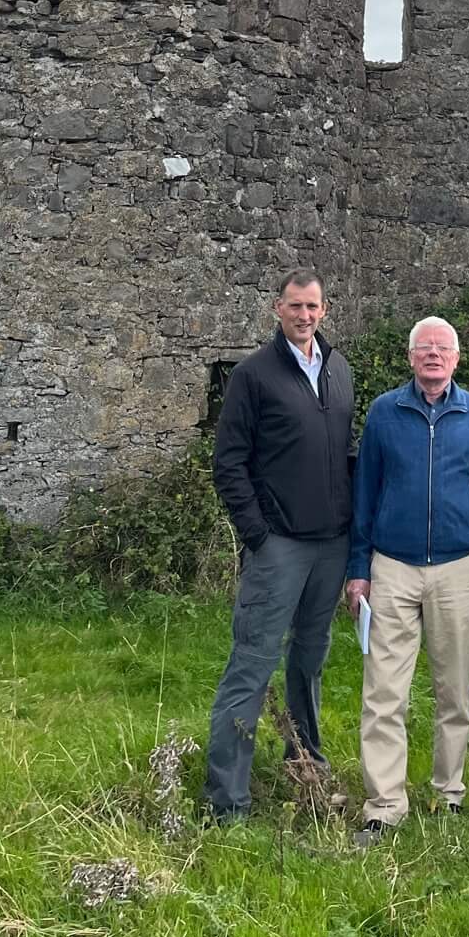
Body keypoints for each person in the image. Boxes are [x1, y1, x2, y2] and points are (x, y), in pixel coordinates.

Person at [345, 315, 469, 844]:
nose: (433, 355)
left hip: (459, 567)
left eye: (443, 348)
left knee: (453, 689)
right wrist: (358, 569)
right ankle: (385, 803)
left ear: (457, 360)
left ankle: (448, 793)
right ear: (410, 357)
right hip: (391, 565)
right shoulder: (385, 413)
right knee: (384, 691)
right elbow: (365, 490)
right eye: (424, 348)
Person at [202, 269, 354, 821]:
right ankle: (228, 801)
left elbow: (340, 454)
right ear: (277, 308)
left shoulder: (339, 371)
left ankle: (305, 768)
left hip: (331, 546)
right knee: (253, 664)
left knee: (309, 661)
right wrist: (258, 536)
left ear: (325, 309)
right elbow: (229, 463)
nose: (304, 315)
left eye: (313, 306)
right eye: (295, 306)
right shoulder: (253, 375)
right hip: (279, 547)